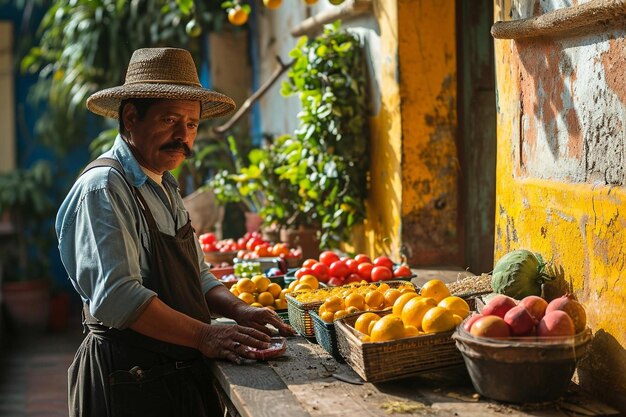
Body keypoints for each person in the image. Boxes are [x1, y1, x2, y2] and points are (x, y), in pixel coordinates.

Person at [55, 47, 295, 417]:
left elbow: (196, 274)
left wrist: (240, 309)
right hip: (129, 381)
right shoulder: (105, 188)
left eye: (193, 124)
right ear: (132, 118)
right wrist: (205, 334)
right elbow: (120, 298)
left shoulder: (163, 184)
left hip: (170, 373)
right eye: (170, 120)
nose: (183, 136)